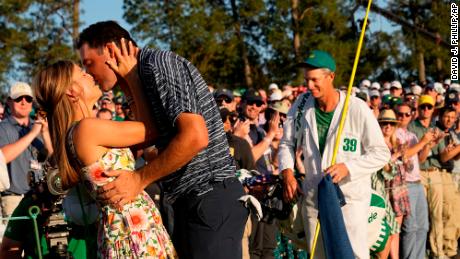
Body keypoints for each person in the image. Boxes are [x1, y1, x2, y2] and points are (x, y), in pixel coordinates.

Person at [76, 21, 248, 258]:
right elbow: (150, 140)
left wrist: (139, 178)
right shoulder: (139, 80)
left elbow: (196, 137)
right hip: (188, 200)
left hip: (208, 195)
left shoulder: (159, 65)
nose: (88, 73)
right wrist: (130, 85)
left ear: (111, 51)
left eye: (89, 63)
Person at [33, 60, 176, 258]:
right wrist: (130, 78)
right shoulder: (86, 129)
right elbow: (150, 129)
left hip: (127, 227)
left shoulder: (79, 131)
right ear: (72, 91)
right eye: (82, 74)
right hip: (132, 230)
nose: (89, 75)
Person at [278, 50, 390, 259]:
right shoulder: (301, 105)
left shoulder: (356, 108)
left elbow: (382, 153)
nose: (309, 86)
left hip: (349, 199)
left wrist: (349, 167)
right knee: (317, 254)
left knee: (352, 254)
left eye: (314, 80)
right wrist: (287, 172)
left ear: (331, 76)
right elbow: (286, 143)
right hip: (314, 197)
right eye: (306, 80)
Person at [0, 82, 53, 220]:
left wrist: (45, 133)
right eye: (18, 98)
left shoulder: (38, 125)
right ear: (9, 102)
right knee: (15, 242)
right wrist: (32, 134)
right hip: (15, 199)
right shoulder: (3, 128)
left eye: (28, 99)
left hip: (42, 198)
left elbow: (52, 158)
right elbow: (3, 157)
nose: (24, 102)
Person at [394, 102, 429, 259]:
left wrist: (428, 144)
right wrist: (423, 142)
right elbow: (403, 155)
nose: (403, 117)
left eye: (407, 114)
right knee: (410, 227)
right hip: (405, 183)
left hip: (417, 182)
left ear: (411, 115)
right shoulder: (395, 134)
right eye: (400, 114)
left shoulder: (412, 135)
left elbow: (420, 159)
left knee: (423, 227)